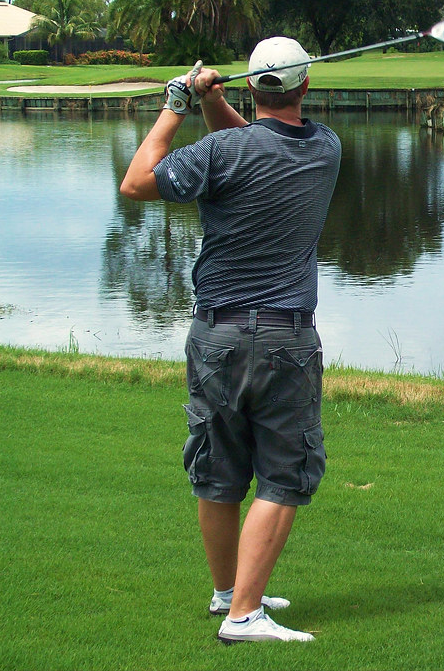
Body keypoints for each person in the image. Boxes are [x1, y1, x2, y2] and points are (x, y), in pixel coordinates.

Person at [119, 38, 341, 643]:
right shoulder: (324, 149)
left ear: (250, 85)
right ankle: (244, 614)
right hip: (285, 336)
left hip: (215, 333)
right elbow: (258, 145)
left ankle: (228, 593)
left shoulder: (221, 152)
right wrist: (209, 102)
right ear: (305, 86)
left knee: (218, 472)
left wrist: (180, 103)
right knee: (285, 475)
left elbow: (137, 182)